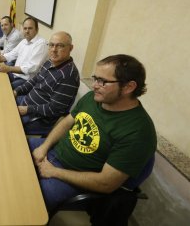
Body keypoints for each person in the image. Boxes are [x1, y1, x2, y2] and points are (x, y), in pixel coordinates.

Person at [28, 54, 157, 216]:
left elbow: (106, 183)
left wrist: (53, 171)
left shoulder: (138, 132)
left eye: (102, 81)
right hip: (53, 152)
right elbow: (68, 121)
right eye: (95, 78)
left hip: (73, 177)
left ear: (128, 87)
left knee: (25, 201)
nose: (95, 86)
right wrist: (44, 147)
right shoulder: (94, 98)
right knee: (9, 152)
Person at [14, 31, 80, 135]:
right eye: (51, 45)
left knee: (6, 125)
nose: (54, 50)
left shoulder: (68, 76)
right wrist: (17, 91)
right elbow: (35, 80)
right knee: (2, 103)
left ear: (70, 48)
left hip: (39, 118)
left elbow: (55, 109)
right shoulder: (50, 61)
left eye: (60, 46)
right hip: (26, 102)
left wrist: (28, 109)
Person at [0, 17, 48, 89]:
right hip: (15, 74)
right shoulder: (24, 41)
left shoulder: (41, 44)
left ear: (37, 29)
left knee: (3, 88)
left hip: (26, 80)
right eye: (25, 28)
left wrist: (9, 68)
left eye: (30, 28)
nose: (27, 31)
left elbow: (31, 68)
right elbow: (11, 54)